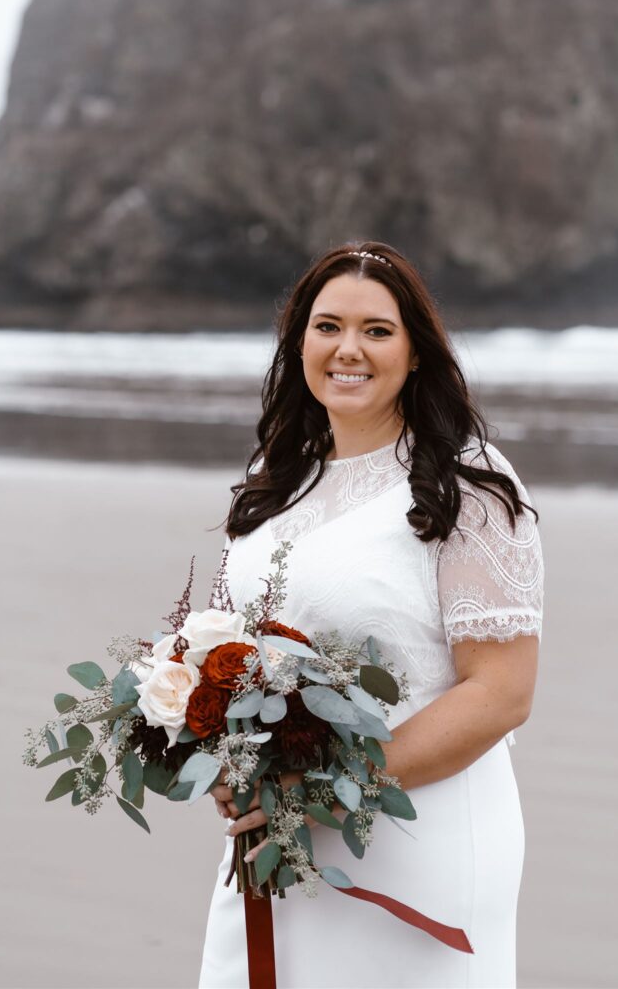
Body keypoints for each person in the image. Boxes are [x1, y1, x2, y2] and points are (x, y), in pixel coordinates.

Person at [198, 240, 544, 989]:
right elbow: (235, 651)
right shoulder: (276, 477)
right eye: (326, 326)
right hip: (278, 838)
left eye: (376, 330)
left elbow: (502, 692)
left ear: (416, 352)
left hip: (418, 828)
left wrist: (327, 791)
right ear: (299, 343)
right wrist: (223, 756)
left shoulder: (466, 485)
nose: (346, 349)